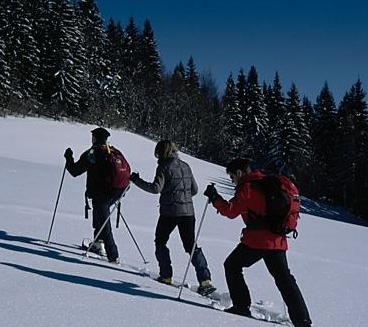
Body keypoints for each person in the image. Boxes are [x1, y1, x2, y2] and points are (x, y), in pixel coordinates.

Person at [203, 157, 312, 327]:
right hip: (278, 239)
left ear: (239, 172)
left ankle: (241, 306)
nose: (233, 182)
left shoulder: (247, 186)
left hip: (258, 240)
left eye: (232, 177)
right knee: (284, 279)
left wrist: (215, 198)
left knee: (232, 265)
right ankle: (302, 320)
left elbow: (230, 211)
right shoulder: (265, 181)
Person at [129, 140, 216, 296]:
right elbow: (194, 190)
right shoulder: (186, 166)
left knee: (161, 241)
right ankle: (205, 281)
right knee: (191, 245)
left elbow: (156, 188)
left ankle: (166, 275)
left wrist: (136, 180)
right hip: (188, 212)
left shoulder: (164, 166)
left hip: (170, 212)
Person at [64, 127, 124, 264]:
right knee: (100, 216)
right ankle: (98, 243)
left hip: (101, 193)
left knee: (104, 223)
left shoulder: (92, 153)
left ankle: (113, 256)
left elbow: (74, 171)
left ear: (95, 138)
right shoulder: (114, 152)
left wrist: (68, 158)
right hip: (116, 193)